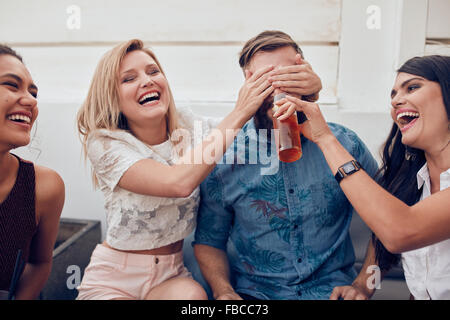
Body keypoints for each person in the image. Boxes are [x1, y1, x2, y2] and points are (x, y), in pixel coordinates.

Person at [75, 38, 285, 300]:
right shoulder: (105, 143)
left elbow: (253, 132)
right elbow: (177, 183)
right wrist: (240, 110)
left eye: (153, 71)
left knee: (193, 298)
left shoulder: (188, 126)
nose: (147, 80)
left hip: (170, 275)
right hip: (115, 277)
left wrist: (304, 90)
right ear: (112, 98)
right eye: (128, 79)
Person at [193, 30, 379, 300]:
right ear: (248, 82)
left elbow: (389, 224)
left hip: (332, 292)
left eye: (288, 77)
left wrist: (363, 285)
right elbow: (209, 241)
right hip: (257, 296)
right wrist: (223, 292)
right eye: (266, 80)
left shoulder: (344, 144)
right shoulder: (225, 155)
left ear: (304, 75)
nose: (278, 90)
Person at [273, 55, 450, 300]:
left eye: (413, 87)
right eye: (393, 94)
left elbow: (399, 231)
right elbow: (384, 244)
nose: (397, 100)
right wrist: (364, 286)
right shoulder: (411, 182)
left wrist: (325, 139)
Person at [0, 44, 65, 299]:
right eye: (11, 85)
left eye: (33, 91)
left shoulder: (45, 187)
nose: (31, 100)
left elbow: (39, 263)